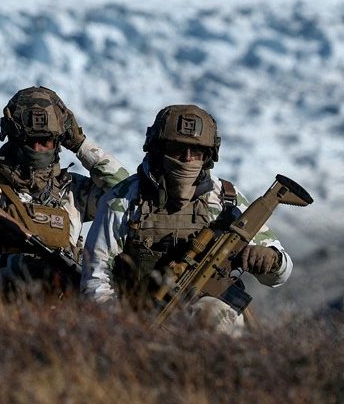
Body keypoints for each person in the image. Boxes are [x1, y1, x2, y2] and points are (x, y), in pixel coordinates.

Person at [81, 104, 293, 333]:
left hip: (209, 321)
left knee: (216, 314)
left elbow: (280, 273)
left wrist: (272, 259)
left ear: (208, 156)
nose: (187, 158)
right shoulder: (123, 199)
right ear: (158, 149)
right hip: (140, 321)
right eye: (176, 149)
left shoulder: (225, 200)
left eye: (197, 151)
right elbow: (96, 279)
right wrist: (122, 329)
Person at [0, 86, 128, 298]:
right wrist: (17, 267)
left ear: (59, 141)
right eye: (28, 140)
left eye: (45, 140)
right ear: (12, 137)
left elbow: (125, 194)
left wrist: (80, 144)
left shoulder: (74, 191)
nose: (37, 149)